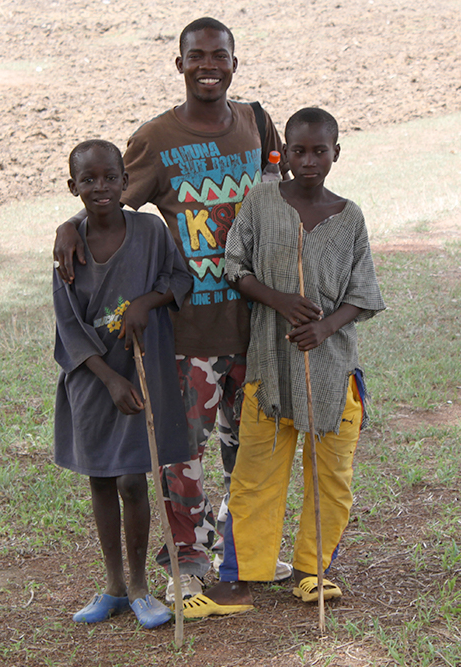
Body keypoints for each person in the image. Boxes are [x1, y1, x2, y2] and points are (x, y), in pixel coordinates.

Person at [52, 17, 289, 602]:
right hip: (189, 331)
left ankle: (246, 550)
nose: (209, 65)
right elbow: (108, 205)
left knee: (253, 448)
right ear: (178, 64)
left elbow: (283, 199)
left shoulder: (258, 125)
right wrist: (68, 225)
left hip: (258, 324)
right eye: (197, 56)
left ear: (235, 62)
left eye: (220, 55)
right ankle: (187, 561)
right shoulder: (157, 138)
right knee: (184, 454)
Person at [182, 108, 385, 618]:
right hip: (270, 370)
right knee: (255, 477)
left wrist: (326, 326)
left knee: (331, 478)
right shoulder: (261, 202)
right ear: (283, 153)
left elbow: (363, 293)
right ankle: (239, 581)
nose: (309, 160)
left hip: (332, 372)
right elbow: (235, 266)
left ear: (336, 153)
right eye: (299, 151)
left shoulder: (349, 216)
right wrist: (277, 299)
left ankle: (312, 572)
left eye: (320, 151)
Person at [52, 139, 193, 629]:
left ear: (125, 181)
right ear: (73, 187)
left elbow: (181, 279)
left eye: (109, 177)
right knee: (102, 478)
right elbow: (68, 326)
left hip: (141, 373)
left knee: (134, 479)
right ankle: (112, 585)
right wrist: (108, 378)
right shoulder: (68, 249)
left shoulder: (151, 231)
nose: (100, 187)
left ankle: (139, 586)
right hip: (94, 380)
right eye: (87, 180)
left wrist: (147, 304)